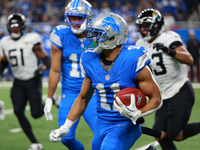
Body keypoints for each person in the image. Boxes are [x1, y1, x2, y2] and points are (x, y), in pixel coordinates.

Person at [48, 12, 162, 150]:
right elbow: (83, 98)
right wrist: (66, 126)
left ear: (113, 37)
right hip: (101, 122)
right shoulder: (89, 59)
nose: (93, 37)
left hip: (125, 123)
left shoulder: (133, 58)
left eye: (98, 34)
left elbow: (156, 98)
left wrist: (139, 113)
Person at [135, 8, 200, 150]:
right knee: (159, 134)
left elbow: (189, 60)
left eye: (146, 26)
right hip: (162, 94)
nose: (143, 30)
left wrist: (169, 50)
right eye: (141, 26)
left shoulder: (168, 38)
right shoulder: (140, 44)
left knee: (175, 134)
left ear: (156, 26)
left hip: (179, 89)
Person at [43, 0, 97, 149]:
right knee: (65, 138)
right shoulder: (61, 34)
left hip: (94, 93)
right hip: (70, 92)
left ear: (88, 18)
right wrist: (49, 98)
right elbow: (54, 70)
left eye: (79, 18)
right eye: (72, 18)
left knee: (101, 134)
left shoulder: (97, 35)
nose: (76, 22)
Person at [0, 13, 51, 150]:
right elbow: (4, 62)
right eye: (12, 26)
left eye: (17, 26)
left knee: (35, 114)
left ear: (22, 27)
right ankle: (35, 143)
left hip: (33, 80)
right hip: (18, 82)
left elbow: (46, 60)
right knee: (17, 111)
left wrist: (42, 69)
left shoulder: (32, 39)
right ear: (8, 27)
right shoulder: (5, 42)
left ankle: (52, 100)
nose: (15, 29)